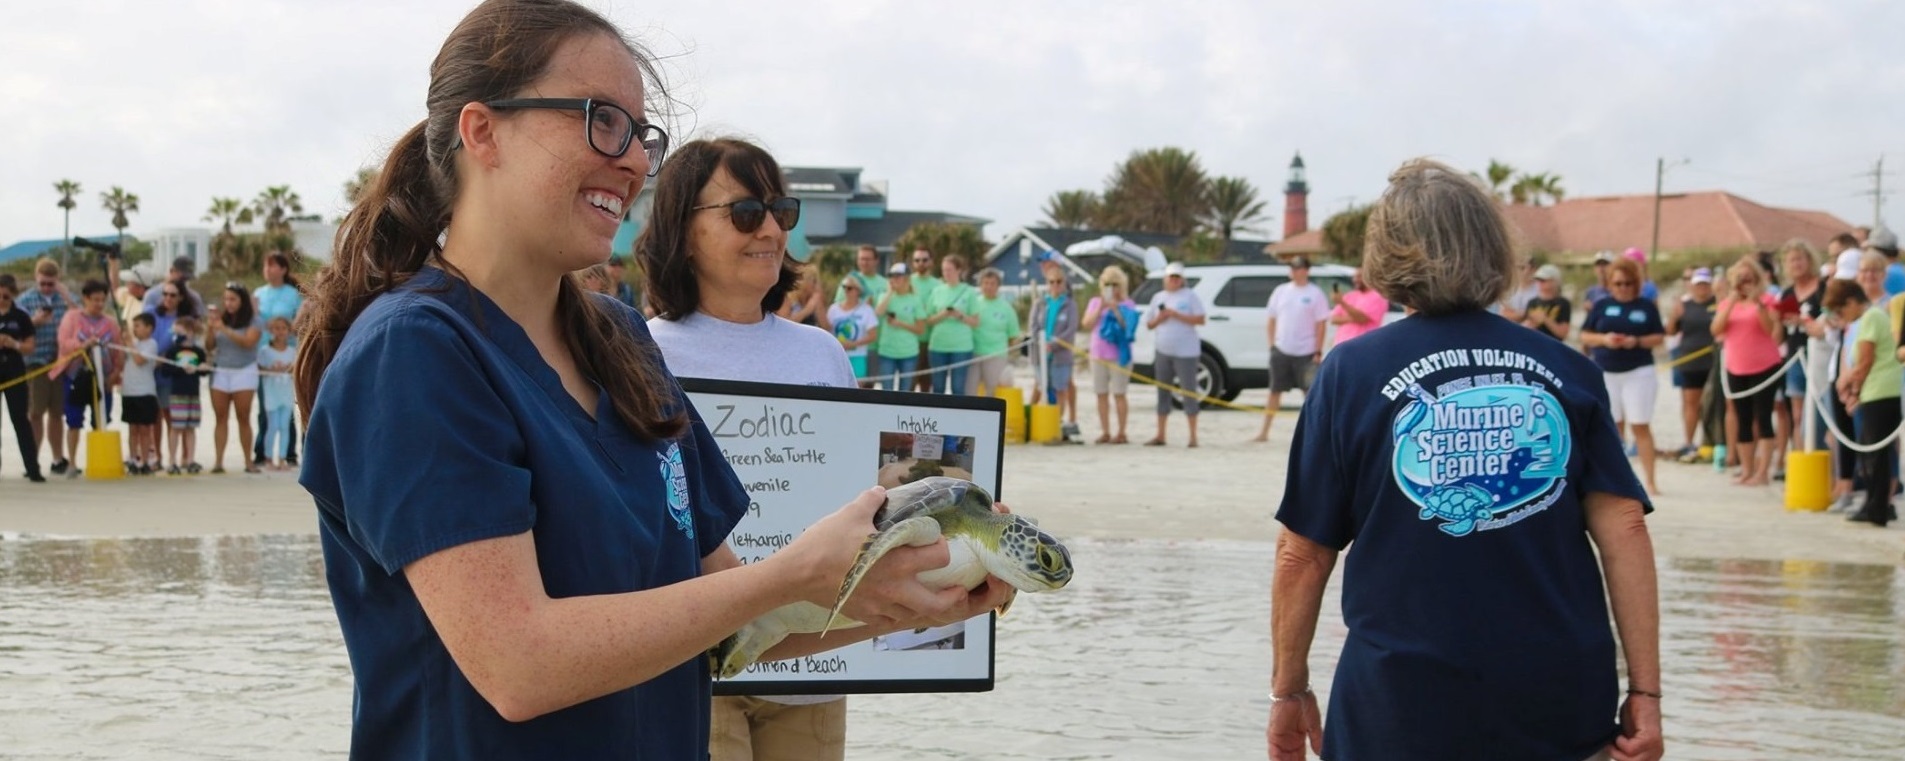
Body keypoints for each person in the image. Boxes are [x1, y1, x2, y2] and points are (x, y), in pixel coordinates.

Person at [294, 8, 1003, 759]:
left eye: (641, 134)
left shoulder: (620, 340)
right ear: (481, 131)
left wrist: (909, 603)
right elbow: (518, 663)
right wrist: (798, 569)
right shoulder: (414, 353)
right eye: (602, 121)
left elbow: (726, 624)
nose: (633, 160)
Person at [1268, 157, 1662, 761]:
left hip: (1399, 699)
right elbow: (1625, 527)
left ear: (1386, 255)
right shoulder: (1568, 368)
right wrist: (1646, 692)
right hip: (1556, 690)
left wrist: (1288, 691)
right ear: (1494, 249)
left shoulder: (1350, 372)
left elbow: (1303, 551)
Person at [1581, 257, 1665, 495]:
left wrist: (1635, 341)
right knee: (1613, 426)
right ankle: (1619, 480)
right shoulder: (1601, 305)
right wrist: (1605, 339)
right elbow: (1586, 335)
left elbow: (1659, 336)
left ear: (1636, 283)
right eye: (1618, 284)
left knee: (1640, 425)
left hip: (1638, 370)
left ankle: (1650, 480)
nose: (1623, 288)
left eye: (1628, 283)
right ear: (1610, 284)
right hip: (1607, 370)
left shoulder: (1646, 306)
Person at [1825, 278, 1898, 528]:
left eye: (1841, 310)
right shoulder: (1869, 318)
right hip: (1876, 390)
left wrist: (1852, 390)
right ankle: (1874, 503)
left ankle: (1877, 508)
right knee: (1872, 453)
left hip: (1881, 391)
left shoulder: (1870, 318)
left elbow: (1865, 361)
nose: (1842, 317)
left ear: (1852, 302)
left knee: (1874, 454)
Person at [1709, 258, 1784, 486]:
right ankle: (1747, 469)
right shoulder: (1726, 303)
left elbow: (1770, 329)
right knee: (1742, 418)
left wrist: (1757, 302)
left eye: (1748, 278)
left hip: (1765, 365)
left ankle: (1763, 472)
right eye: (1740, 278)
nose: (1744, 282)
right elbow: (1716, 329)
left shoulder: (1767, 300)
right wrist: (1732, 298)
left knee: (1763, 416)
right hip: (1736, 366)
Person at [1253, 256, 1331, 443]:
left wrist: (1318, 351)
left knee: (1310, 393)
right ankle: (1264, 431)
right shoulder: (1281, 291)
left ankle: (1317, 434)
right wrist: (1272, 345)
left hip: (1306, 350)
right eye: (1293, 268)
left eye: (1299, 268)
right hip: (1282, 348)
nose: (1295, 271)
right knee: (1274, 391)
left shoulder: (1315, 293)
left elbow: (1321, 324)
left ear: (1306, 270)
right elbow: (1271, 319)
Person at [53, 279, 122, 478]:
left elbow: (118, 351)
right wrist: (82, 345)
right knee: (74, 419)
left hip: (103, 378)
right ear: (85, 299)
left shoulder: (110, 322)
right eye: (95, 300)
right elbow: (64, 343)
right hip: (76, 376)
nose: (99, 304)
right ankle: (72, 463)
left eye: (102, 300)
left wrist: (116, 373)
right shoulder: (72, 317)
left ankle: (98, 459)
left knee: (101, 418)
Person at [17, 258, 76, 476]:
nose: (47, 288)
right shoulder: (26, 299)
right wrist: (35, 321)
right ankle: (32, 459)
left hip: (61, 362)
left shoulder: (63, 298)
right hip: (36, 362)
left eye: (50, 284)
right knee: (35, 412)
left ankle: (58, 457)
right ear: (36, 279)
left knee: (57, 413)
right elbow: (18, 328)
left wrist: (66, 295)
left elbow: (79, 314)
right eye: (43, 283)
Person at [1144, 261, 1206, 447]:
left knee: (1188, 391)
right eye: (1171, 277)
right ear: (1166, 279)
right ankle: (1161, 434)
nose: (1174, 281)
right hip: (1163, 350)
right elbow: (1149, 324)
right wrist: (1161, 318)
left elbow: (1201, 319)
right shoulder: (1158, 297)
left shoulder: (1190, 296)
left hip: (1186, 352)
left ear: (1182, 279)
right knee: (1162, 391)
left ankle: (1193, 436)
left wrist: (1177, 315)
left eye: (1177, 277)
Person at [252, 251, 304, 469]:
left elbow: (299, 320)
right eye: (266, 265)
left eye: (273, 266)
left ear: (283, 269)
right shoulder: (259, 293)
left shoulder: (293, 294)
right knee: (266, 406)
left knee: (287, 407)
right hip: (265, 354)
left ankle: (288, 453)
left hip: (287, 354)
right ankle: (262, 452)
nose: (268, 270)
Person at [206, 283, 262, 474]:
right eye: (226, 299)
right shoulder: (220, 319)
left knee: (243, 416)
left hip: (244, 370)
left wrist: (225, 329)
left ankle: (248, 461)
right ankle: (218, 461)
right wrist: (210, 329)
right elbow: (209, 346)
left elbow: (248, 342)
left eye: (232, 299)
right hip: (221, 369)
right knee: (220, 417)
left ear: (242, 300)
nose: (228, 303)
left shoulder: (254, 320)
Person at [1079, 265, 1137, 444]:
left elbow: (1129, 326)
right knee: (1101, 393)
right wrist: (1101, 307)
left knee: (1119, 393)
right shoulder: (1096, 302)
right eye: (1108, 284)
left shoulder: (1128, 304)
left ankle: (1121, 432)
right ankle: (1105, 431)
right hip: (1098, 353)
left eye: (1115, 284)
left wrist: (1115, 309)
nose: (1112, 287)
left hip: (1119, 355)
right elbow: (1086, 324)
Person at [1665, 267, 1717, 460]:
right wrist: (1674, 315)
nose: (1702, 287)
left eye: (1705, 283)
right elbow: (1670, 331)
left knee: (1712, 404)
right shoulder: (1684, 305)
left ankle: (1711, 441)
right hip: (1690, 360)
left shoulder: (1718, 303)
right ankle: (1689, 442)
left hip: (1713, 361)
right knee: (1690, 403)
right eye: (1698, 284)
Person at [0, 274, 45, 482]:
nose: (2, 300)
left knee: (20, 418)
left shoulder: (21, 316)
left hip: (14, 369)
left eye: (6, 297)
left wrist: (13, 344)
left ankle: (32, 467)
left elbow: (29, 347)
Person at [921, 254, 980, 395]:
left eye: (949, 270)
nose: (946, 273)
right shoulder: (937, 291)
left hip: (961, 346)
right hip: (938, 345)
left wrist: (960, 315)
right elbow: (928, 320)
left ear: (959, 270)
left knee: (958, 388)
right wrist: (943, 314)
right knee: (938, 388)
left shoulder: (969, 292)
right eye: (944, 270)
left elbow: (976, 322)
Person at [1030, 267, 1078, 436]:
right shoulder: (1040, 302)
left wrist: (1054, 344)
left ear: (1064, 283)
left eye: (1059, 281)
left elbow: (1071, 329)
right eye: (1052, 282)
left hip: (1060, 354)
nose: (1055, 285)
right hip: (1040, 353)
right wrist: (1040, 342)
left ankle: (1056, 423)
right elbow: (1033, 327)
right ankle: (1035, 421)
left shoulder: (1069, 304)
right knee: (1042, 386)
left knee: (1060, 388)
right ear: (1047, 283)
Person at [160, 315, 209, 475]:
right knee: (176, 427)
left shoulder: (198, 351)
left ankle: (190, 459)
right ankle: (172, 460)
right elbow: (166, 371)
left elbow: (204, 371)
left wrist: (202, 367)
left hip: (193, 394)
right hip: (178, 394)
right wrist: (181, 368)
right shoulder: (173, 351)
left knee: (191, 427)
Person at [870, 263, 926, 391]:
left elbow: (920, 329)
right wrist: (890, 293)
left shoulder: (915, 299)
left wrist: (900, 324)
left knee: (905, 392)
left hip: (908, 353)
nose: (894, 279)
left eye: (898, 276)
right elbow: (878, 313)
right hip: (887, 351)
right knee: (887, 391)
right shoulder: (884, 297)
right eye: (891, 276)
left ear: (906, 278)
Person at [968, 267, 1021, 398]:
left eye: (992, 284)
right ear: (980, 285)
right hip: (973, 354)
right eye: (985, 283)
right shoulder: (974, 303)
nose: (989, 287)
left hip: (996, 355)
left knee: (992, 393)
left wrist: (1010, 355)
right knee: (969, 391)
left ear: (998, 286)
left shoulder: (1006, 308)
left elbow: (1013, 335)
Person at [120, 312, 162, 475]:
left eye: (138, 326)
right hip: (129, 391)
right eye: (133, 326)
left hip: (145, 391)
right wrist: (125, 341)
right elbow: (123, 358)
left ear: (149, 328)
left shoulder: (151, 344)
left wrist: (130, 343)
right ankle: (132, 458)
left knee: (145, 428)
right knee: (132, 428)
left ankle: (144, 459)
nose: (135, 330)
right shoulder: (132, 343)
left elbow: (139, 360)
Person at [257, 316, 297, 471]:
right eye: (276, 328)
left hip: (286, 394)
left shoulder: (292, 351)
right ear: (271, 331)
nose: (280, 332)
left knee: (284, 426)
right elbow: (260, 369)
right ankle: (268, 457)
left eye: (283, 328)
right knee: (272, 426)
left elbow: (294, 369)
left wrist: (288, 368)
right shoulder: (265, 351)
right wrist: (271, 370)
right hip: (271, 393)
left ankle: (282, 458)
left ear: (288, 331)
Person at [826, 272, 879, 383]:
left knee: (857, 392)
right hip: (837, 356)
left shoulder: (866, 310)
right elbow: (827, 331)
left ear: (858, 291)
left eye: (849, 288)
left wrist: (853, 344)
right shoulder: (833, 309)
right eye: (844, 287)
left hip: (858, 356)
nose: (846, 291)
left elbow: (873, 335)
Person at [907, 248, 943, 392]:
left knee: (926, 384)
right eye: (917, 260)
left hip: (931, 341)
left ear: (931, 262)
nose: (921, 263)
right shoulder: (906, 282)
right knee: (909, 384)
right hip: (909, 341)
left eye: (924, 260)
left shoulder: (939, 285)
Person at [1326, 267, 1387, 348]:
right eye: (1354, 277)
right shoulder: (1349, 296)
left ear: (1368, 277)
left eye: (1359, 276)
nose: (1355, 280)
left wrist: (1342, 303)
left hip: (1363, 347)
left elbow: (1362, 319)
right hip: (1341, 346)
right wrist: (1353, 317)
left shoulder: (1378, 297)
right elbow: (1334, 319)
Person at [142, 255, 208, 319]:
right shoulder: (152, 296)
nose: (184, 282)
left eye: (187, 279)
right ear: (172, 271)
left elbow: (199, 322)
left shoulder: (194, 297)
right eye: (182, 278)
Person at [1521, 264, 1572, 342]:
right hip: (1534, 344)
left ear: (1555, 281)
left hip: (1553, 346)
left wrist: (1545, 319)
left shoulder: (1563, 303)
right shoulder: (1532, 302)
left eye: (1543, 280)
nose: (1540, 283)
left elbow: (1563, 334)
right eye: (1538, 280)